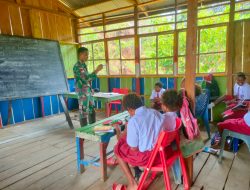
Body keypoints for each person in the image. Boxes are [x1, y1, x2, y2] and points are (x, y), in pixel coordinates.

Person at [114, 93, 164, 190]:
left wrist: (120, 131)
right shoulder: (155, 112)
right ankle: (138, 172)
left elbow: (134, 148)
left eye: (128, 111)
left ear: (129, 108)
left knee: (117, 149)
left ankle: (132, 183)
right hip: (160, 153)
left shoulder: (134, 121)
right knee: (125, 143)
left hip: (146, 157)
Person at [73, 47, 103, 127]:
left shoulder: (83, 65)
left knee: (91, 109)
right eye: (86, 54)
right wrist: (97, 70)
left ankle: (92, 128)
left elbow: (87, 78)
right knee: (83, 110)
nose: (87, 56)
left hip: (87, 90)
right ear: (80, 54)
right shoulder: (78, 66)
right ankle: (84, 131)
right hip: (82, 92)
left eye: (88, 55)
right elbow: (86, 78)